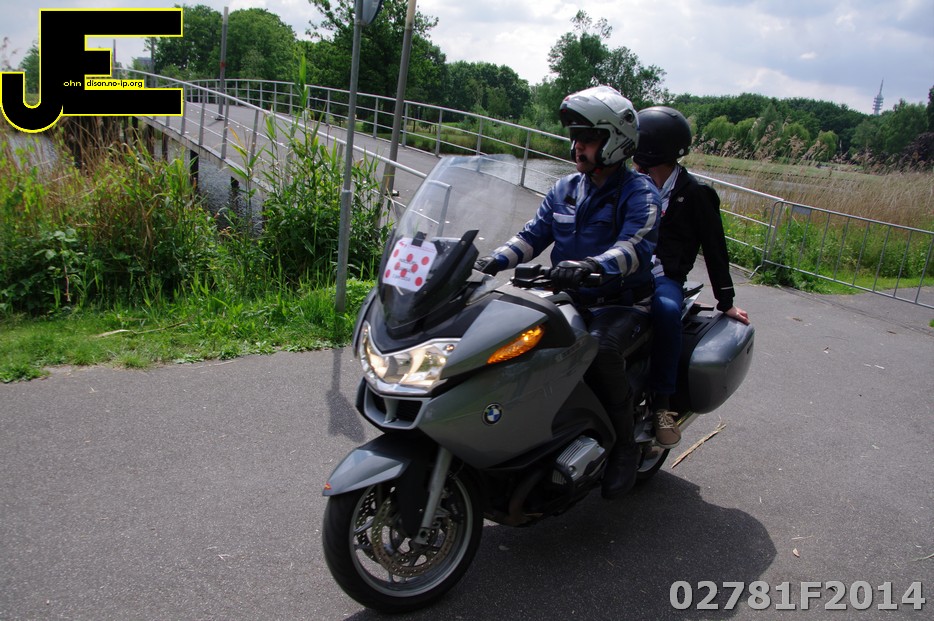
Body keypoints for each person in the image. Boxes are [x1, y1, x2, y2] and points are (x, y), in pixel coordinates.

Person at [475, 85, 661, 500]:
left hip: (622, 303)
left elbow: (637, 246)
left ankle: (625, 448)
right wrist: (491, 260)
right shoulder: (564, 189)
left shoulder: (639, 192)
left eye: (588, 138)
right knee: (509, 339)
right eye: (576, 137)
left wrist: (592, 265)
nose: (578, 146)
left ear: (615, 142)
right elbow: (532, 236)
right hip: (570, 298)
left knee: (600, 350)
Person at [632, 106, 750, 449]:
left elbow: (715, 248)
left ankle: (663, 404)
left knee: (667, 311)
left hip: (664, 277)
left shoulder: (696, 194)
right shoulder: (632, 185)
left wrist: (726, 301)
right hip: (626, 270)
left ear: (650, 148)